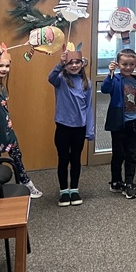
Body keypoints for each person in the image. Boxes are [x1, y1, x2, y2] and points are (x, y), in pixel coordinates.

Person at [0, 45, 42, 198]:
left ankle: (26, 183)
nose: (4, 69)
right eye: (0, 66)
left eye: (7, 66)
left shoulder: (1, 86)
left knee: (16, 156)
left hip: (7, 131)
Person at [101, 48, 136, 200]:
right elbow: (105, 89)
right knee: (118, 154)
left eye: (131, 64)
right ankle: (116, 181)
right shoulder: (115, 79)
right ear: (118, 64)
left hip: (135, 122)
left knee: (131, 154)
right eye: (124, 64)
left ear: (135, 64)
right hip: (119, 123)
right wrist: (110, 74)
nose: (128, 67)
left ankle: (129, 182)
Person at [48, 45, 94, 206]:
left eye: (77, 62)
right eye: (70, 63)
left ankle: (74, 189)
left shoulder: (87, 83)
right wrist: (60, 63)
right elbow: (51, 77)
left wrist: (90, 130)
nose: (74, 65)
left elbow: (89, 108)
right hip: (63, 127)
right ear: (65, 65)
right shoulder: (60, 79)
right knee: (63, 158)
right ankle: (63, 191)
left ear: (82, 64)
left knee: (75, 159)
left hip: (79, 128)